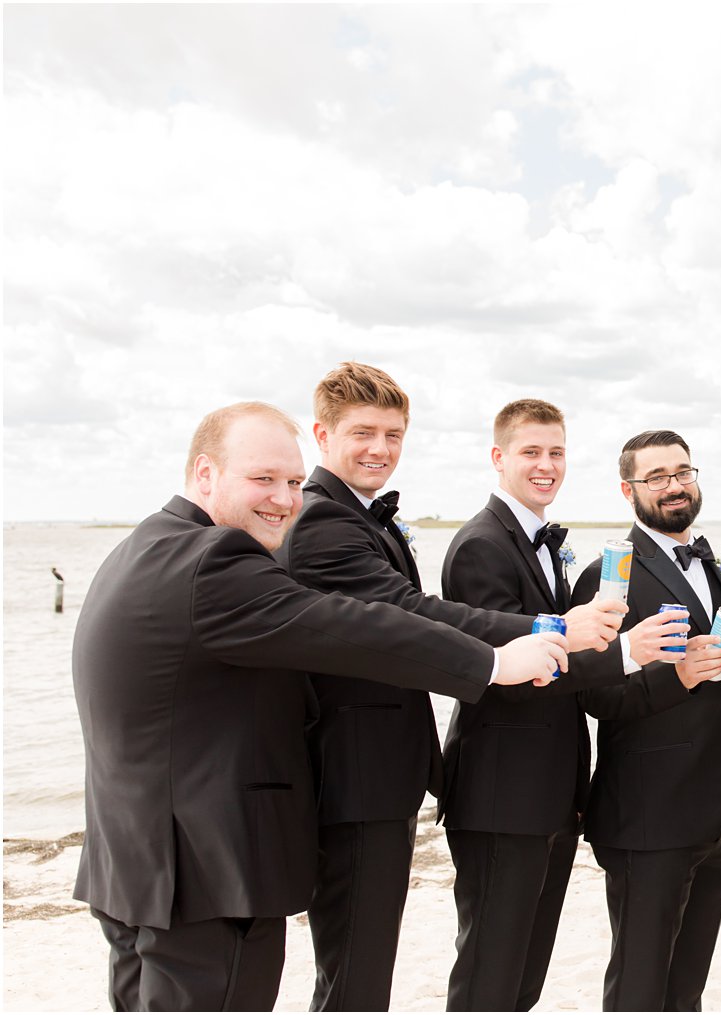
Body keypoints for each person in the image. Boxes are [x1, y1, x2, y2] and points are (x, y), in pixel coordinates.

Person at [72, 402, 566, 1011]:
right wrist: (494, 663)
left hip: (134, 869)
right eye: (263, 479)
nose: (284, 498)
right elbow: (349, 624)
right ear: (205, 474)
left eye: (291, 481)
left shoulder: (143, 547)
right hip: (205, 877)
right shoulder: (217, 562)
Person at [278, 366, 623, 1010]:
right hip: (353, 775)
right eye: (363, 434)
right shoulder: (324, 523)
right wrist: (553, 630)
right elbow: (409, 612)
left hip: (381, 775)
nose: (380, 449)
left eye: (392, 435)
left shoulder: (363, 519)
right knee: (354, 977)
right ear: (322, 435)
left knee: (364, 971)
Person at [438, 401, 659, 1011]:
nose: (545, 465)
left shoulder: (535, 541)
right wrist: (627, 655)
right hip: (501, 794)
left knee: (523, 978)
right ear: (498, 458)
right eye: (530, 452)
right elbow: (513, 666)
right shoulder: (481, 546)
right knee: (490, 974)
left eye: (556, 452)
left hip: (547, 795)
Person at [569, 429, 721, 1012]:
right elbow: (595, 695)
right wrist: (680, 676)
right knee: (640, 988)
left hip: (719, 815)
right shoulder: (609, 574)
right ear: (629, 491)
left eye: (683, 473)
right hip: (648, 817)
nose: (674, 487)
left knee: (687, 987)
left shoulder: (712, 563)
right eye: (657, 478)